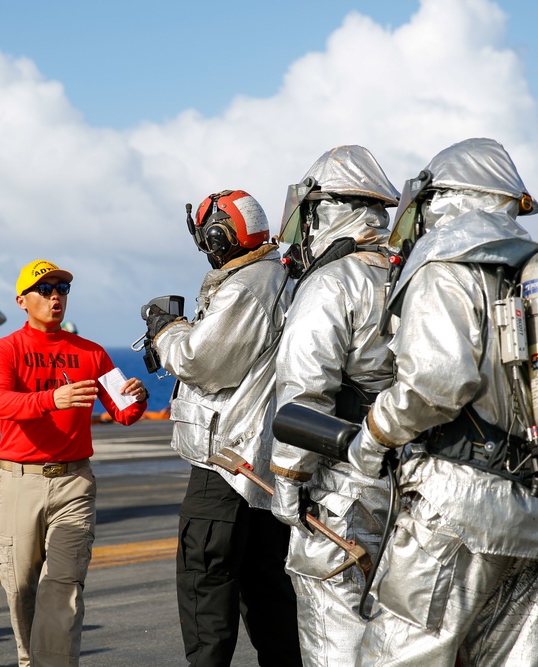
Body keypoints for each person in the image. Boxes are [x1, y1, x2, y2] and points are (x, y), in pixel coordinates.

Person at [346, 138, 538, 665]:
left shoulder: (446, 263)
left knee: (399, 655)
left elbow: (437, 383)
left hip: (460, 508)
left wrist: (374, 434)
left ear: (445, 197)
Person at [142, 189, 301, 667]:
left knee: (205, 587)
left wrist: (165, 330)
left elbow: (199, 360)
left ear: (218, 238)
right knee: (269, 594)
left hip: (225, 464)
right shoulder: (280, 276)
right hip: (265, 466)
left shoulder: (246, 286)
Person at [269, 145, 400, 666]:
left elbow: (306, 395)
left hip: (342, 488)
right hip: (411, 484)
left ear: (325, 210)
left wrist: (287, 482)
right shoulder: (411, 275)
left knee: (335, 622)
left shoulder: (331, 283)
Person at [0, 259, 149, 667]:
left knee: (62, 585)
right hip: (21, 480)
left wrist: (138, 395)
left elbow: (124, 411)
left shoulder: (91, 353)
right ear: (22, 300)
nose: (55, 296)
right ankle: (30, 660)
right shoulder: (4, 350)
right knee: (21, 587)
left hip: (74, 482)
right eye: (45, 289)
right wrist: (49, 400)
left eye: (62, 289)